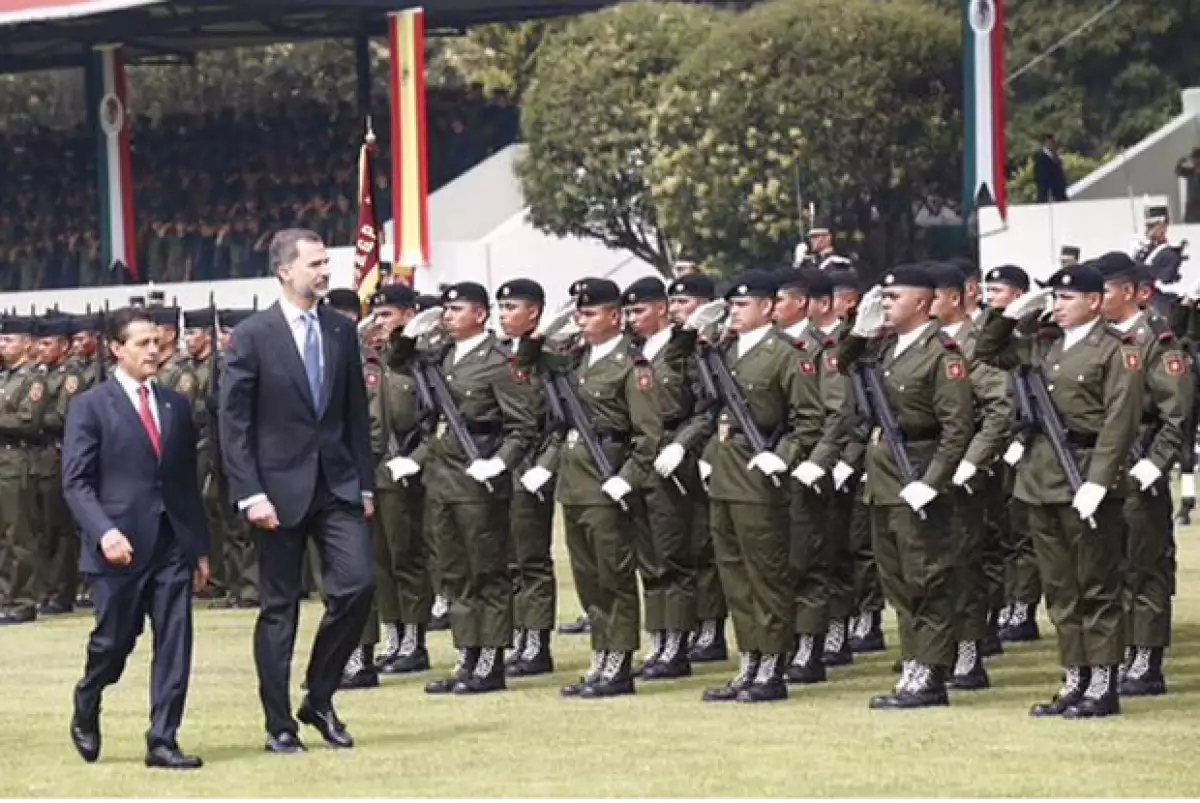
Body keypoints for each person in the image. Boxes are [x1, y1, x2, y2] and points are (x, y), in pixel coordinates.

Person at [219, 228, 375, 752]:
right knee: (280, 608)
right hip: (276, 493)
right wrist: (250, 493)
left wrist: (365, 485)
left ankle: (319, 696)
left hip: (337, 485)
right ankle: (279, 724)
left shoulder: (339, 330)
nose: (324, 271)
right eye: (314, 263)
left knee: (357, 587)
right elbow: (233, 423)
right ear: (285, 270)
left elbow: (356, 416)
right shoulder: (253, 335)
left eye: (325, 262)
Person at [976, 262, 1143, 718]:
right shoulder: (1041, 345)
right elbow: (987, 350)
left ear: (1095, 300)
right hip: (1041, 480)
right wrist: (1011, 315)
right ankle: (1075, 678)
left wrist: (1099, 480)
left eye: (1067, 298)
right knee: (1061, 589)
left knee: (1097, 586)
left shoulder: (1117, 350)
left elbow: (1120, 421)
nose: (1058, 306)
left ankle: (1103, 682)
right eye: (1054, 298)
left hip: (1086, 476)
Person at [61, 306, 211, 769]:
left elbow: (185, 482)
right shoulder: (90, 406)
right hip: (118, 546)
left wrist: (199, 549)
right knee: (115, 642)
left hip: (171, 543)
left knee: (175, 640)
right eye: (143, 343)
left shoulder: (176, 405)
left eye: (158, 341)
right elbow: (76, 481)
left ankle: (163, 739)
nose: (155, 349)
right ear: (116, 349)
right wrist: (104, 531)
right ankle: (88, 695)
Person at [389, 281, 539, 696]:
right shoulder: (441, 357)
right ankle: (466, 655)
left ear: (480, 315)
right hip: (441, 479)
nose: (448, 316)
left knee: (486, 572)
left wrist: (500, 463)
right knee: (453, 573)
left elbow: (523, 427)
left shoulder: (500, 361)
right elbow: (398, 362)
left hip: (479, 483)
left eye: (456, 310)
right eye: (446, 310)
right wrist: (407, 335)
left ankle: (489, 658)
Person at [836, 265, 974, 709]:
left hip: (917, 473)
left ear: (921, 302)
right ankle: (915, 663)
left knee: (927, 578)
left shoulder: (943, 354)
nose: (886, 304)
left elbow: (957, 429)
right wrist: (859, 330)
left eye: (894, 298)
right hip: (884, 482)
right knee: (897, 580)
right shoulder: (885, 347)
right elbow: (843, 363)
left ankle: (930, 673)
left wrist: (933, 482)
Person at [1034, 134, 1069, 203]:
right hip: (1049, 194)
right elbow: (1042, 177)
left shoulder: (1055, 156)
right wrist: (1049, 193)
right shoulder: (1041, 158)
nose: (1053, 144)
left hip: (1059, 192)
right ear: (1045, 143)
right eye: (1051, 142)